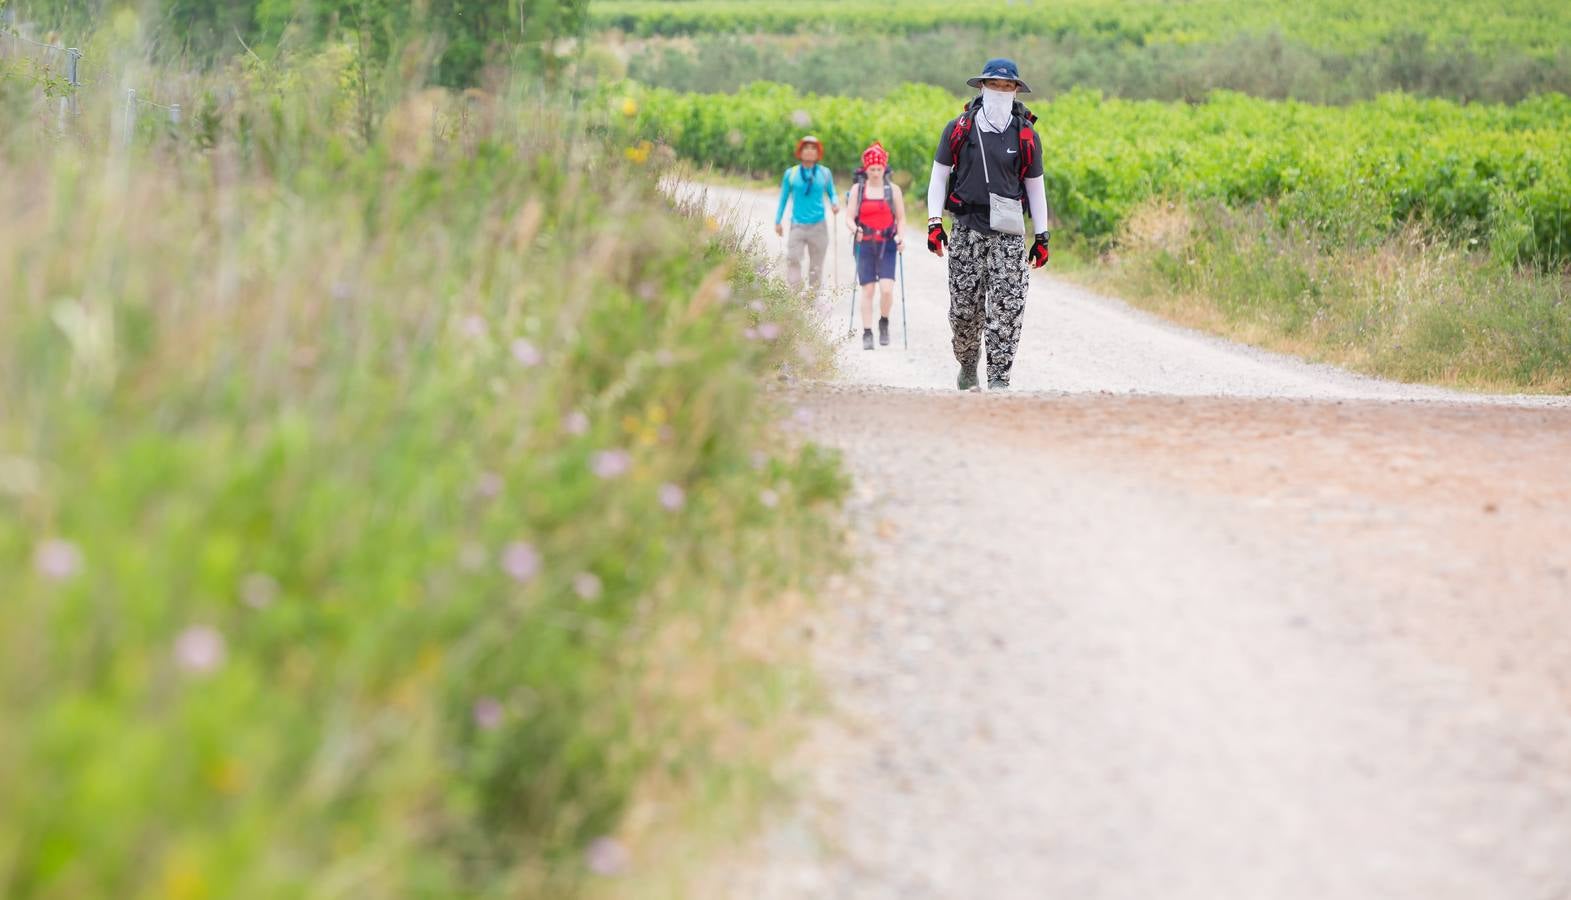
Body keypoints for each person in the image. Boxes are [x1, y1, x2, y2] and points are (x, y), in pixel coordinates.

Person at [924, 58, 1052, 390]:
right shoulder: (958, 129)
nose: (1000, 91)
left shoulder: (1025, 134)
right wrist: (934, 223)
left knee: (1008, 306)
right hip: (967, 227)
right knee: (965, 309)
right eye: (994, 84)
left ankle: (999, 379)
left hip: (1009, 233)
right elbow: (939, 176)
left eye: (1007, 86)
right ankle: (968, 364)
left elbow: (1036, 187)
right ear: (982, 86)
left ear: (1015, 90)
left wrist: (1042, 235)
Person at [846, 142, 906, 350]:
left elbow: (901, 219)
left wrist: (901, 237)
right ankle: (867, 332)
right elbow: (849, 217)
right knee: (868, 289)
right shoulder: (858, 189)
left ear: (884, 168)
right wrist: (855, 230)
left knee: (887, 290)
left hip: (888, 243)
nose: (875, 173)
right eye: (871, 169)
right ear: (865, 169)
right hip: (864, 245)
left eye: (878, 169)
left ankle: (884, 322)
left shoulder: (893, 190)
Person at [774, 135, 840, 293]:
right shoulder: (791, 173)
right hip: (797, 224)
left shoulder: (825, 173)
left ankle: (812, 298)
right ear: (800, 152)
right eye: (806, 148)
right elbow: (783, 199)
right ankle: (794, 294)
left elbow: (832, 193)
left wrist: (835, 203)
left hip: (818, 225)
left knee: (816, 266)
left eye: (813, 148)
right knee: (793, 258)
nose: (810, 151)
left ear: (818, 153)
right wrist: (778, 221)